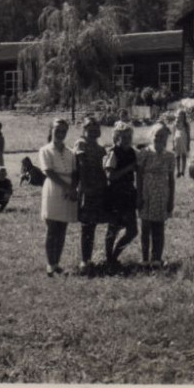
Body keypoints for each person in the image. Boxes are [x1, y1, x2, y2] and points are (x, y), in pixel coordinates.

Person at [38, 118, 78, 276]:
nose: (60, 134)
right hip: (54, 189)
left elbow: (75, 172)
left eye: (63, 131)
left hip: (69, 190)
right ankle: (50, 263)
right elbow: (48, 171)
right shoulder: (45, 150)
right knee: (52, 228)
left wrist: (73, 188)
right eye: (57, 131)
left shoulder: (70, 152)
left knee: (62, 228)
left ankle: (57, 263)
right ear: (51, 131)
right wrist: (66, 186)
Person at [137, 123, 175, 269]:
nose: (159, 139)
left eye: (162, 136)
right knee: (145, 227)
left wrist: (171, 200)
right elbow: (139, 176)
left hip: (161, 196)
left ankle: (157, 258)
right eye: (156, 135)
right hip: (147, 194)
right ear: (151, 136)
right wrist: (139, 195)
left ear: (166, 139)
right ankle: (145, 258)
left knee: (159, 227)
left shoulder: (170, 156)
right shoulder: (145, 153)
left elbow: (171, 180)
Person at [74, 116, 108, 274]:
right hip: (87, 188)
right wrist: (84, 186)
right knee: (86, 226)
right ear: (84, 130)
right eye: (89, 128)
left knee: (93, 224)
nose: (93, 131)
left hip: (99, 188)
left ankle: (91, 258)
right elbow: (81, 165)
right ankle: (85, 260)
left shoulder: (101, 149)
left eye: (96, 129)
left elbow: (105, 169)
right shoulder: (81, 144)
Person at [103, 122, 139, 267]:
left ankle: (114, 255)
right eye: (123, 136)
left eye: (129, 136)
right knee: (113, 228)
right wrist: (129, 168)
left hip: (129, 193)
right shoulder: (113, 152)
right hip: (115, 194)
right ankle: (108, 259)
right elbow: (110, 176)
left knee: (132, 231)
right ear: (116, 137)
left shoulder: (132, 152)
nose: (126, 139)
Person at [171, 109, 191, 179]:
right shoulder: (175, 124)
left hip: (184, 141)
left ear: (184, 116)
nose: (180, 116)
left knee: (184, 156)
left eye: (182, 115)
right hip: (177, 142)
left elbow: (188, 135)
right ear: (177, 115)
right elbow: (173, 135)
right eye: (179, 114)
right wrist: (173, 144)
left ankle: (183, 171)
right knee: (177, 156)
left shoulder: (186, 124)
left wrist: (188, 144)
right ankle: (178, 171)